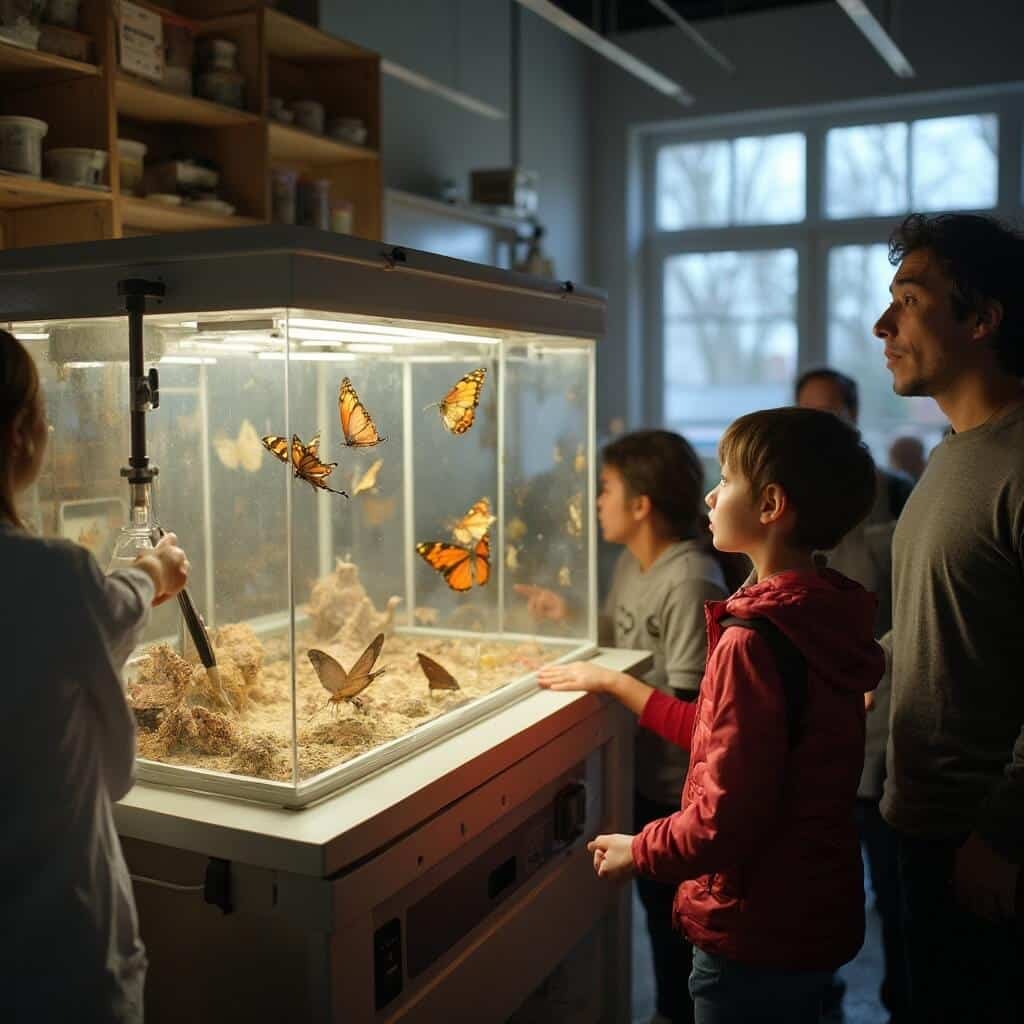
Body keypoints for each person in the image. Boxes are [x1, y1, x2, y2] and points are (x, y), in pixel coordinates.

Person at [540, 407, 884, 1024]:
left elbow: (724, 816)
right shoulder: (825, 613)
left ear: (771, 504)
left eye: (725, 478)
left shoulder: (752, 639)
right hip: (811, 906)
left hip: (752, 921)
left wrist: (638, 849)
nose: (710, 492)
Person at [0, 330, 190, 1023]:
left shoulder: (57, 582)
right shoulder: (53, 578)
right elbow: (114, 603)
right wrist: (158, 568)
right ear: (23, 433)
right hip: (62, 954)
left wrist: (143, 576)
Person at [520, 429, 731, 1024]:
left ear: (641, 504)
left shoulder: (690, 579)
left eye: (605, 489)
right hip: (638, 779)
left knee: (677, 934)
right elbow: (633, 638)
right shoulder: (633, 566)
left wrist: (609, 682)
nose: (596, 502)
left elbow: (696, 718)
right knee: (656, 919)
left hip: (675, 795)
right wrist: (575, 616)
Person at [873, 212, 1024, 1024]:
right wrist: (872, 666)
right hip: (921, 821)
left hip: (985, 838)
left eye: (909, 298)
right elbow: (960, 617)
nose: (882, 324)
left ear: (980, 317)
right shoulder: (951, 456)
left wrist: (1004, 834)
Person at [794, 366, 911, 1021]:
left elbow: (911, 614)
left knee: (892, 886)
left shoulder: (895, 497)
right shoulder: (789, 504)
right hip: (812, 728)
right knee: (815, 883)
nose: (818, 426)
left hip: (882, 723)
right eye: (805, 413)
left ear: (854, 415)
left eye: (829, 413)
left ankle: (900, 1001)